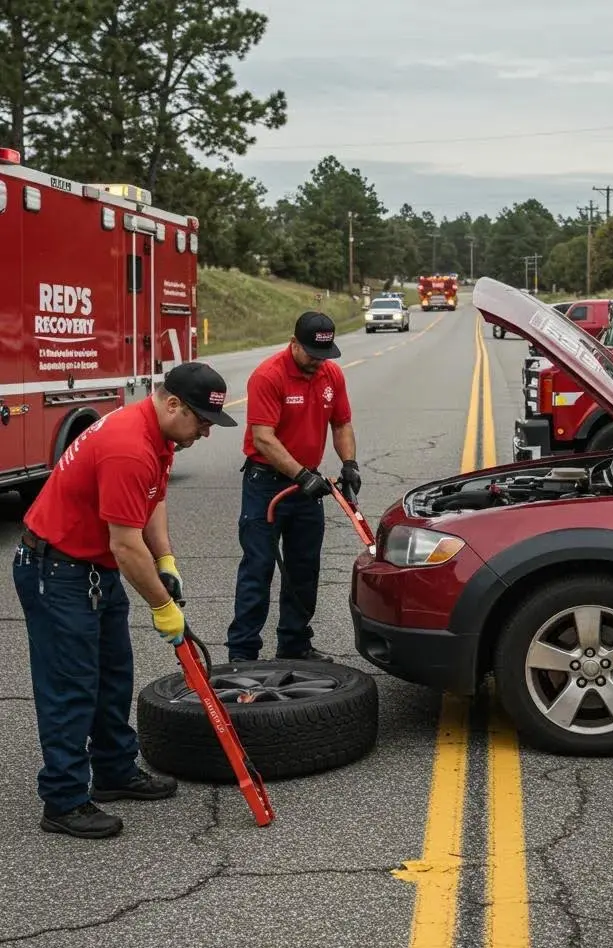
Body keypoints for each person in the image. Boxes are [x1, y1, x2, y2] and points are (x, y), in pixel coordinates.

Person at [12, 362, 238, 840]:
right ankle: (64, 800)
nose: (205, 432)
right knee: (71, 686)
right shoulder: (128, 446)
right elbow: (125, 544)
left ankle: (114, 770)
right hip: (56, 571)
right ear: (172, 404)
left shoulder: (162, 436)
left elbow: (152, 501)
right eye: (202, 421)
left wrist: (166, 559)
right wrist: (162, 606)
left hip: (93, 571)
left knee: (113, 676)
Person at [226, 311, 361, 664]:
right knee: (258, 568)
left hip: (307, 487)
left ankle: (295, 643)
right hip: (266, 486)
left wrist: (349, 464)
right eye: (312, 354)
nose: (318, 361)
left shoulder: (331, 374)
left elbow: (341, 424)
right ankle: (243, 653)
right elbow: (263, 438)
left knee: (304, 568)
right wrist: (301, 475)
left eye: (324, 354)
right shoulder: (268, 376)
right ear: (293, 344)